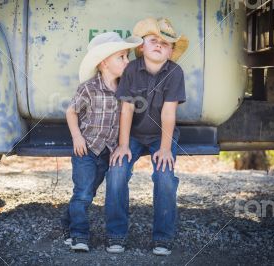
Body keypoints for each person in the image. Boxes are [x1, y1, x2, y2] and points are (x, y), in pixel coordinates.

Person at [104, 17, 189, 256]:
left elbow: (169, 113)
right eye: (153, 40)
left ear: (171, 51)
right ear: (142, 46)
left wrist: (164, 149)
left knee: (164, 176)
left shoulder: (174, 73)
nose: (159, 45)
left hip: (161, 136)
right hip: (132, 134)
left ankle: (162, 238)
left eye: (165, 43)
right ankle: (116, 235)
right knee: (117, 170)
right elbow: (127, 108)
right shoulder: (131, 69)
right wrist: (122, 144)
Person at [61, 32, 143, 252]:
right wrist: (77, 137)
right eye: (122, 57)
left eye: (127, 57)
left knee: (90, 191)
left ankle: (67, 223)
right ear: (104, 62)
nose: (128, 61)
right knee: (84, 192)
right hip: (86, 150)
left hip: (108, 151)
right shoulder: (88, 88)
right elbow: (71, 112)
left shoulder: (124, 89)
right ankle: (79, 235)